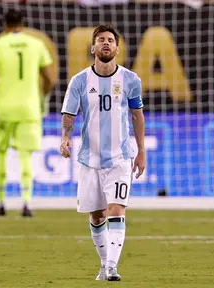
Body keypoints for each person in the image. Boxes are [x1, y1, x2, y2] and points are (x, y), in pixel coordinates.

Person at [60, 24, 145, 281]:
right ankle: (104, 263)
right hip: (90, 160)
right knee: (97, 216)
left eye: (110, 40)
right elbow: (69, 115)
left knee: (116, 210)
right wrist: (65, 138)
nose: (106, 43)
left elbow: (137, 115)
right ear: (93, 48)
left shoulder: (131, 80)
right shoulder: (79, 81)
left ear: (117, 48)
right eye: (101, 40)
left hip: (120, 158)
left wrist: (141, 151)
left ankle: (111, 267)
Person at [0, 9, 55, 217]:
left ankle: (0, 202)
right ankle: (26, 203)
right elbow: (50, 78)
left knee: (1, 153)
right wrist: (44, 97)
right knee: (25, 156)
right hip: (29, 108)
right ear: (23, 24)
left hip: (4, 108)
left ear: (5, 25)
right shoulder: (37, 44)